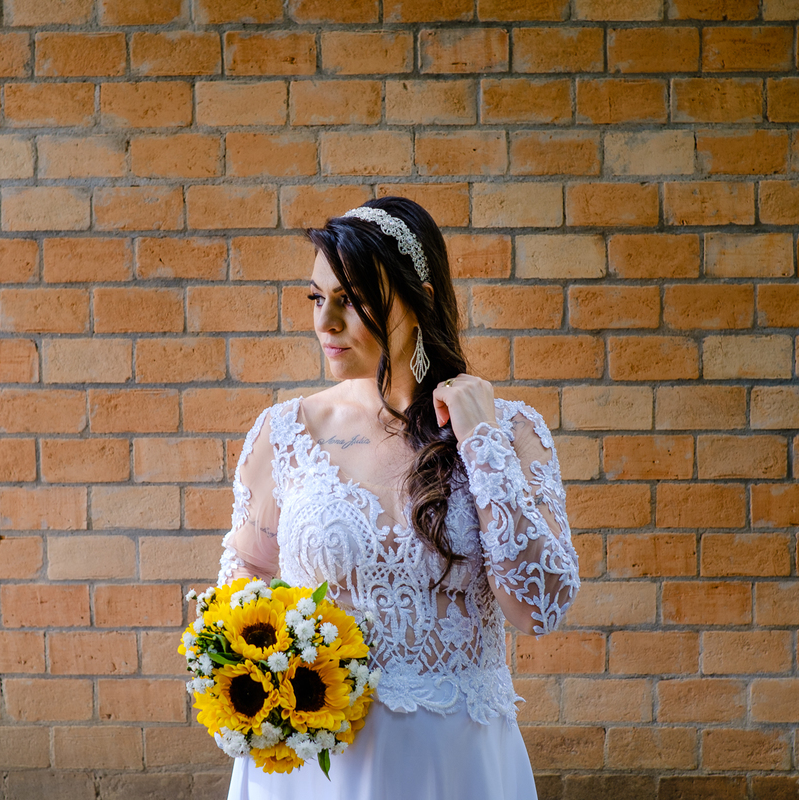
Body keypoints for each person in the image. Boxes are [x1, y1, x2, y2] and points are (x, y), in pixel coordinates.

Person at [217, 196, 580, 800]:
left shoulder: (509, 431)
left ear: (421, 297)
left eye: (351, 300)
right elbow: (245, 577)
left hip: (454, 762)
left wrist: (481, 442)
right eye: (317, 297)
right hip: (317, 765)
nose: (325, 323)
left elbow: (539, 608)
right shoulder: (284, 433)